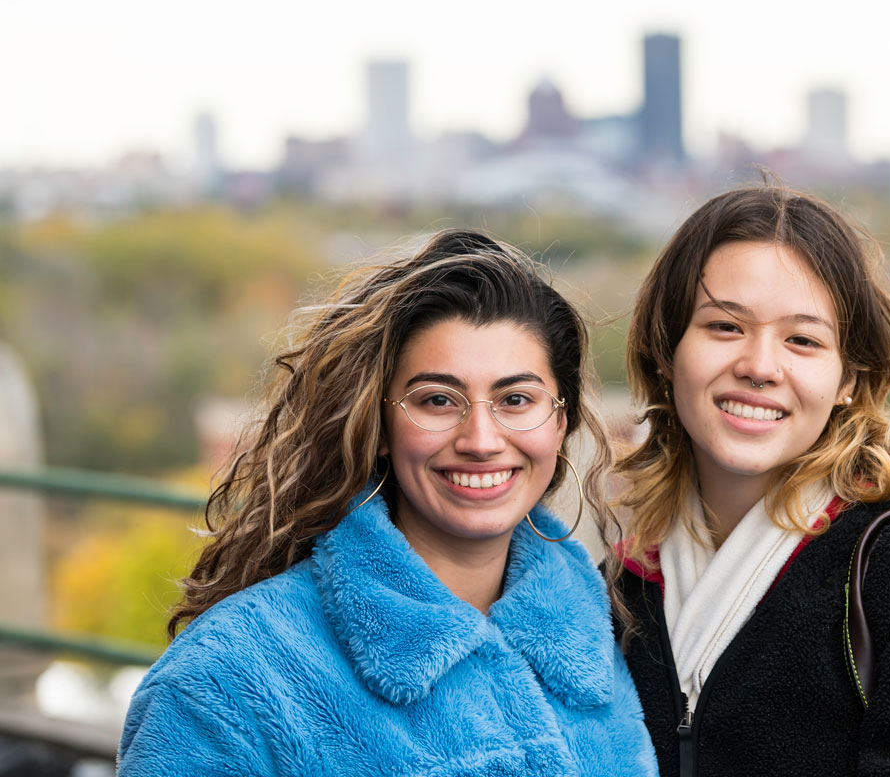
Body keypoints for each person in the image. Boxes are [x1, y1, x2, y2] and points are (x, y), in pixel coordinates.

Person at [118, 230, 658, 777]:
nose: (481, 439)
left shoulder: (608, 634)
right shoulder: (227, 682)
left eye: (516, 399)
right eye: (437, 400)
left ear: (560, 423)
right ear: (378, 425)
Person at [611, 185, 890, 776]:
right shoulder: (618, 594)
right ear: (665, 350)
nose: (759, 366)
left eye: (802, 340)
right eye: (725, 326)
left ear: (848, 378)